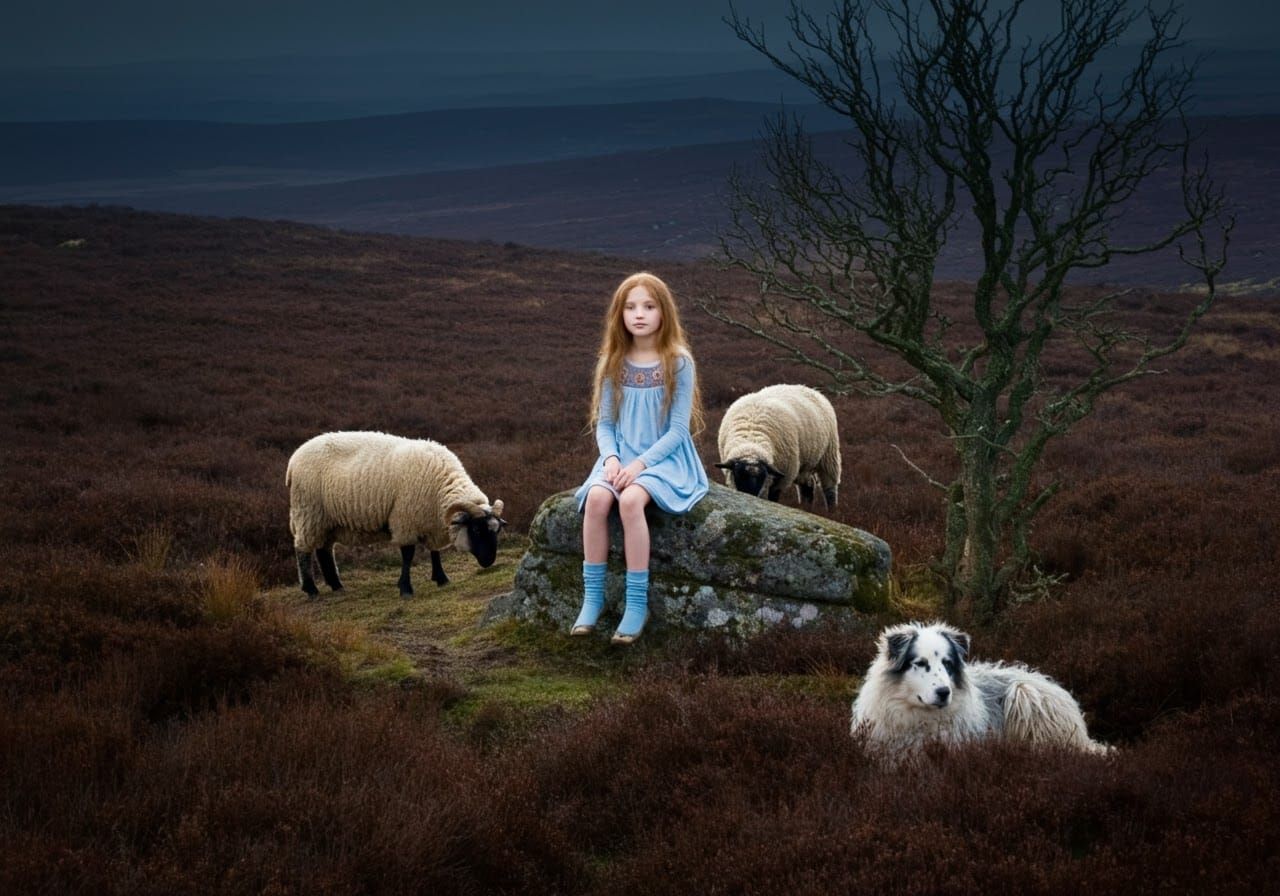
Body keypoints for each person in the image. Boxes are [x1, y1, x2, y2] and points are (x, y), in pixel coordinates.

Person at [571, 272, 708, 644]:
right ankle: (593, 598)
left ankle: (636, 604)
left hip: (663, 459)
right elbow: (605, 424)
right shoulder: (613, 361)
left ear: (664, 312)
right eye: (630, 307)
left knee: (631, 501)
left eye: (649, 306)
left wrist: (639, 466)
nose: (639, 314)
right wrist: (612, 459)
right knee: (598, 499)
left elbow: (679, 430)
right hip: (620, 456)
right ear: (620, 314)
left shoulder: (678, 362)